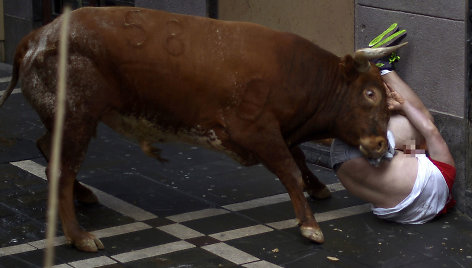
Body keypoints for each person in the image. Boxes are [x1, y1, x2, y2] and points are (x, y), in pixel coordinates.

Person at [330, 26, 456, 224]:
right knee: (408, 142)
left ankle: (381, 67)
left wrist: (402, 105)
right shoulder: (415, 212)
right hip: (340, 162)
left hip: (362, 150)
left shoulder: (445, 173)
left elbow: (429, 130)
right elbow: (409, 154)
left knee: (424, 125)